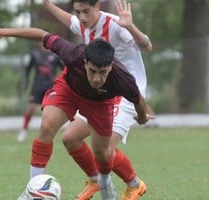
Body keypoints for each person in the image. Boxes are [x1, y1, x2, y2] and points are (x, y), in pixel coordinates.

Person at [0, 25, 154, 200]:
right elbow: (42, 35)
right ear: (85, 62)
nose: (97, 78)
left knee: (103, 153)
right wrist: (4, 32)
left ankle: (104, 181)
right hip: (68, 90)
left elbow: (138, 100)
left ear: (111, 67)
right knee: (47, 126)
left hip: (100, 103)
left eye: (103, 72)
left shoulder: (123, 78)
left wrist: (143, 118)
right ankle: (33, 191)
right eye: (92, 71)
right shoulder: (73, 53)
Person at [42, 0, 153, 199]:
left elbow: (147, 46)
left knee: (105, 148)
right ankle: (95, 180)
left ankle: (134, 185)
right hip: (100, 91)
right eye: (78, 12)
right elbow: (70, 21)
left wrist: (130, 26)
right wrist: (47, 4)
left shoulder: (116, 25)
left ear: (97, 8)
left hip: (125, 93)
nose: (82, 17)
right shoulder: (85, 23)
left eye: (86, 12)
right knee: (70, 138)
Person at [17, 45, 64, 142]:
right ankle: (24, 130)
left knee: (50, 112)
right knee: (30, 108)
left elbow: (64, 69)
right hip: (37, 86)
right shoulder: (35, 54)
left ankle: (49, 133)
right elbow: (28, 69)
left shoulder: (55, 55)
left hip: (51, 87)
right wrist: (25, 83)